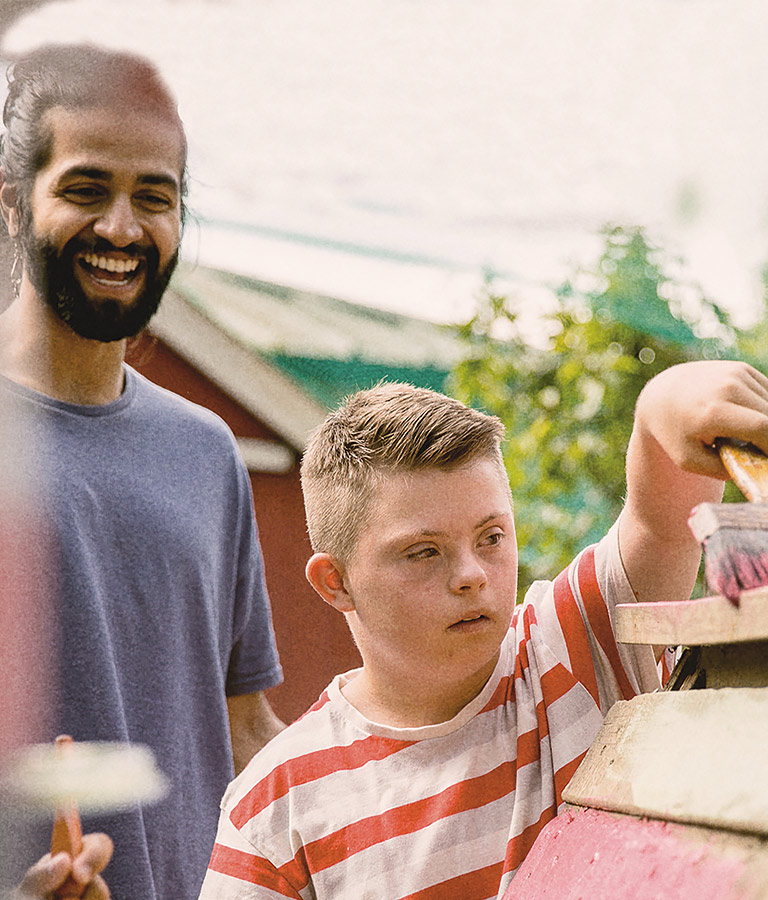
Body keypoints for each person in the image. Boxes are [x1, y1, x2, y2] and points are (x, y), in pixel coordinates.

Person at [198, 361, 768, 899]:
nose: (472, 575)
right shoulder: (272, 810)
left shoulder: (570, 646)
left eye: (492, 537)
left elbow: (661, 517)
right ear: (335, 582)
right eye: (424, 553)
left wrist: (666, 401)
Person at [0, 44, 284, 900]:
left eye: (153, 199)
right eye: (86, 191)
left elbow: (242, 727)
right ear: (14, 207)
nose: (121, 228)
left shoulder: (206, 450)